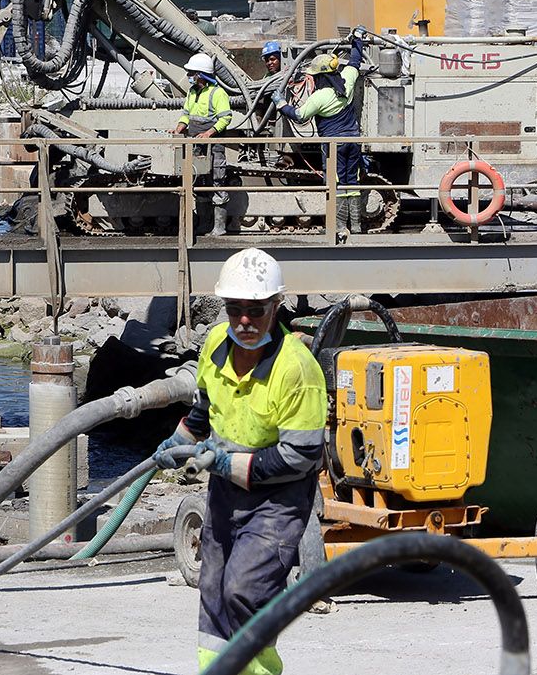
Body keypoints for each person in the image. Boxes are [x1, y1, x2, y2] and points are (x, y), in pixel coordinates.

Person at [153, 249, 328, 675]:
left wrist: (224, 464)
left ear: (276, 307)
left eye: (256, 310)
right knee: (213, 592)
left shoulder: (296, 371)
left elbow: (301, 457)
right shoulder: (216, 344)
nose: (244, 321)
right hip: (226, 497)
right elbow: (204, 408)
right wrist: (178, 442)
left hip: (278, 502)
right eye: (236, 310)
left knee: (244, 591)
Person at [272, 38, 367, 235]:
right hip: (353, 141)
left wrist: (281, 104)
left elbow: (299, 116)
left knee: (336, 182)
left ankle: (339, 227)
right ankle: (356, 227)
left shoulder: (320, 97)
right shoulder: (346, 82)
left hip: (334, 145)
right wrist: (358, 40)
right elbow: (355, 62)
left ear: (321, 76)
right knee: (353, 182)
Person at [173, 53, 233, 236]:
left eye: (191, 72)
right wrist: (179, 128)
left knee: (216, 182)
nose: (189, 76)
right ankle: (204, 225)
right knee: (198, 183)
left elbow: (226, 118)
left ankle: (219, 227)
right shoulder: (192, 92)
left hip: (213, 148)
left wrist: (208, 133)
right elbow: (186, 115)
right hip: (196, 148)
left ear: (200, 74)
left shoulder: (217, 93)